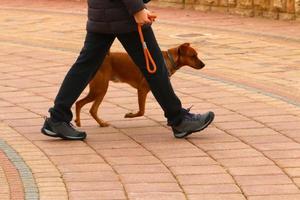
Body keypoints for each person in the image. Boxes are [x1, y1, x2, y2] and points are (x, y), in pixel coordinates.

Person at [41, 0, 215, 140]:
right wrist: (136, 8)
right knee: (154, 66)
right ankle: (179, 119)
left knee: (85, 65)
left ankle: (57, 118)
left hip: (104, 12)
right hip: (123, 15)